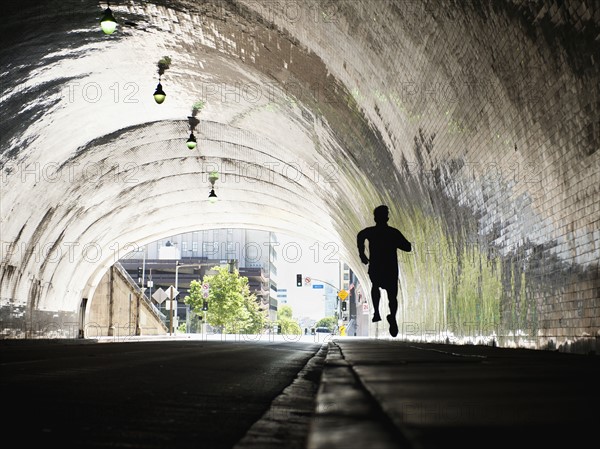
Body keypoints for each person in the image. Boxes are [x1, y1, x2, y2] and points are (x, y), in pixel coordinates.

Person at [357, 205, 412, 337]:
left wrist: (362, 254)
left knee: (375, 286)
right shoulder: (393, 233)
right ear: (387, 217)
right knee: (392, 296)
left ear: (375, 218)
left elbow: (360, 235)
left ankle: (376, 312)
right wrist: (396, 243)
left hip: (376, 266)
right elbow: (408, 247)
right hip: (390, 268)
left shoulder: (371, 232)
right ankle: (392, 316)